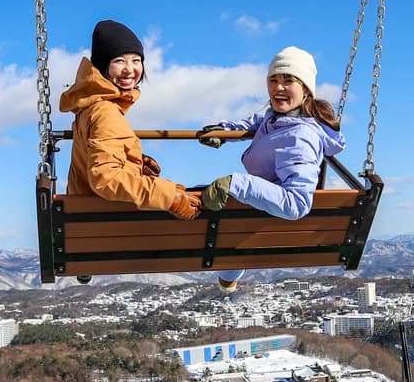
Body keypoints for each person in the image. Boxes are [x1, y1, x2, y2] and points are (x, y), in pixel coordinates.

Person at [195, 46, 344, 290]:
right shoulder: (277, 117)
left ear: (306, 88)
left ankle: (228, 274)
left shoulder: (301, 136)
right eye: (273, 80)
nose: (278, 87)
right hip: (255, 211)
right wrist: (224, 131)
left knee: (206, 202)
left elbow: (297, 204)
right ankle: (228, 276)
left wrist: (237, 183)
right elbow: (256, 121)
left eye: (288, 80)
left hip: (271, 216)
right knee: (228, 210)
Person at [59, 20, 201, 226]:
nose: (130, 69)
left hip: (87, 221)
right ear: (102, 66)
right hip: (108, 225)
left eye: (136, 60)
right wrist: (170, 197)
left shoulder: (89, 107)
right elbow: (105, 179)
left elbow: (97, 159)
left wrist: (133, 163)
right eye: (119, 61)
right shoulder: (106, 112)